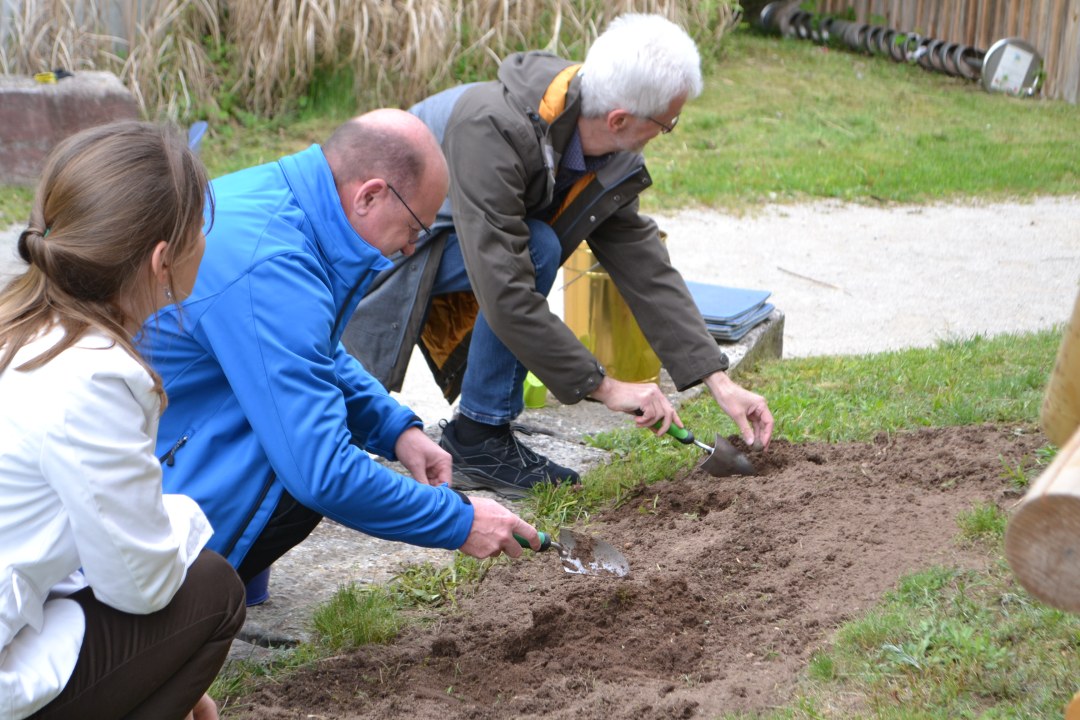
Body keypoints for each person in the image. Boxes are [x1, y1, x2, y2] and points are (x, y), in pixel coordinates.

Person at [343, 13, 775, 500]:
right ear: (619, 119)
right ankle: (479, 439)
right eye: (666, 124)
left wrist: (719, 381)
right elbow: (504, 291)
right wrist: (606, 386)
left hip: (454, 247)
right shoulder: (493, 128)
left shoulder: (598, 139)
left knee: (537, 243)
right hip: (375, 258)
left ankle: (484, 433)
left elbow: (644, 265)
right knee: (536, 246)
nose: (666, 131)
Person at [139, 109, 541, 588]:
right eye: (415, 228)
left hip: (178, 432)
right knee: (309, 466)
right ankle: (197, 590)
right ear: (370, 195)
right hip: (153, 494)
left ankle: (221, 580)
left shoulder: (283, 199)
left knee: (308, 427)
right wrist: (461, 520)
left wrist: (394, 429)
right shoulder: (271, 265)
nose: (411, 249)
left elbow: (310, 353)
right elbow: (322, 472)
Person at [0, 121, 245, 720]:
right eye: (200, 230)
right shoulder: (97, 375)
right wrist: (183, 517)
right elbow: (141, 585)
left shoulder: (19, 324)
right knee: (211, 589)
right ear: (163, 260)